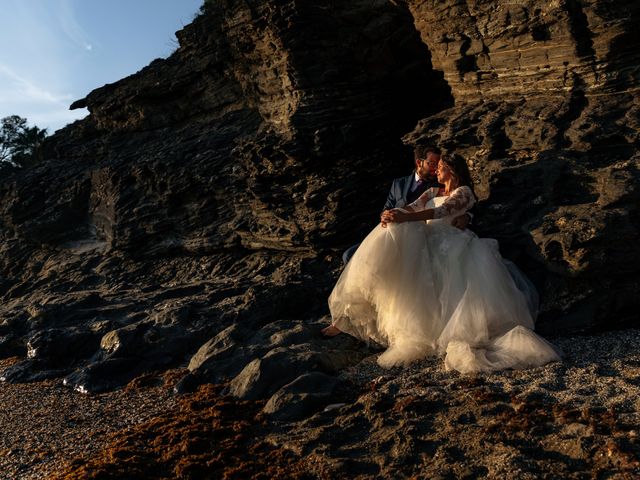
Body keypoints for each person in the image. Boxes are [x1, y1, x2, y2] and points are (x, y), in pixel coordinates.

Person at [323, 153, 561, 373]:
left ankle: (443, 333)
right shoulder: (432, 191)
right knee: (396, 238)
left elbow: (440, 212)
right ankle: (351, 313)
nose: (437, 171)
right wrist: (394, 214)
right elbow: (413, 206)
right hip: (427, 243)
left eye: (442, 168)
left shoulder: (464, 192)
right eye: (436, 167)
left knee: (447, 289)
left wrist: (406, 217)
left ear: (453, 171)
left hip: (452, 243)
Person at [341, 145, 470, 265]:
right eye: (432, 164)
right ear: (419, 162)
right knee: (349, 255)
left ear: (451, 170)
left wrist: (468, 216)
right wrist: (388, 214)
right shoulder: (400, 184)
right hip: (396, 230)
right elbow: (401, 206)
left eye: (438, 165)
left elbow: (452, 207)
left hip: (423, 238)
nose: (435, 169)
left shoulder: (442, 185)